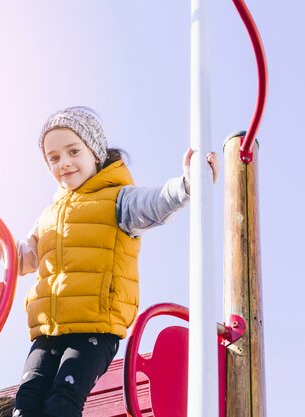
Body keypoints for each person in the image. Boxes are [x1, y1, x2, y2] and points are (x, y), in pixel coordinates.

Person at [11, 106, 217, 417]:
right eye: (54, 158)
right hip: (48, 330)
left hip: (94, 328)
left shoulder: (118, 200)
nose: (63, 162)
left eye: (73, 151)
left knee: (62, 400)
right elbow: (23, 259)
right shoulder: (48, 216)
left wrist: (187, 184)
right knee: (26, 402)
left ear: (95, 153)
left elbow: (156, 202)